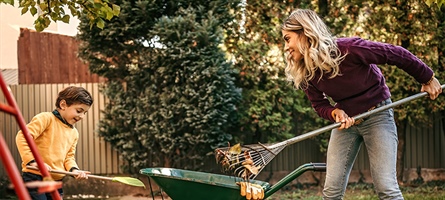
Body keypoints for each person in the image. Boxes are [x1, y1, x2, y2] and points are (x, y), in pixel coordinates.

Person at [281, 9, 442, 200]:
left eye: (287, 39)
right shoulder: (307, 72)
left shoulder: (348, 48)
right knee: (331, 192)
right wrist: (334, 113)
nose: (285, 47)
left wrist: (427, 77)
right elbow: (319, 104)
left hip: (378, 115)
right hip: (347, 124)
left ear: (304, 34)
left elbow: (394, 53)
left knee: (386, 188)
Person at [16, 86, 94, 199]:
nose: (82, 116)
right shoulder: (46, 119)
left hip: (56, 181)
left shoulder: (74, 133)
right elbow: (22, 136)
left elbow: (69, 158)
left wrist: (75, 170)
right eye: (79, 111)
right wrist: (33, 162)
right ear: (63, 105)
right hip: (36, 176)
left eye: (84, 113)